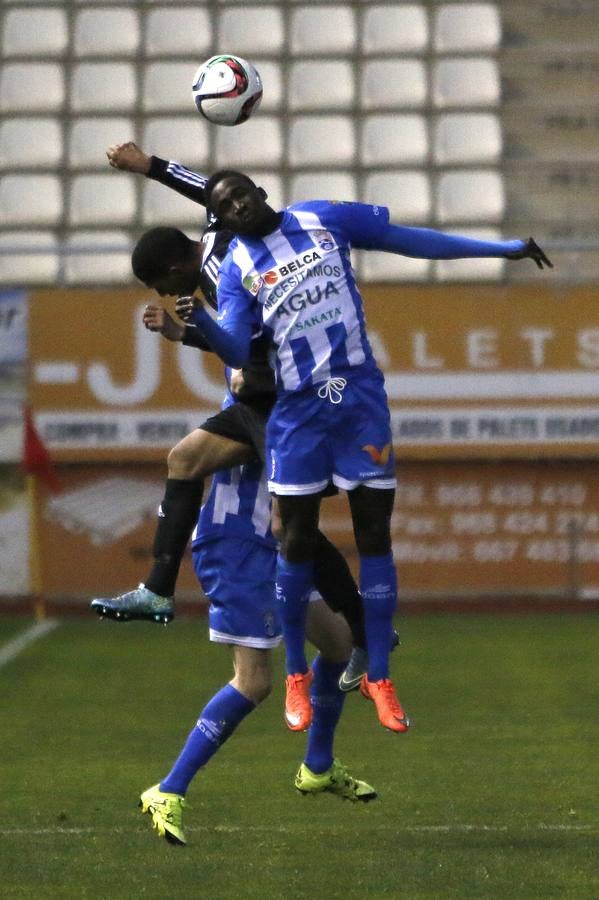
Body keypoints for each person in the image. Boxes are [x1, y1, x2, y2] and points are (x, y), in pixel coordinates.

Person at [178, 169, 553, 734]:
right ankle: (297, 677)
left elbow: (407, 239)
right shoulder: (236, 269)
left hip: (359, 400)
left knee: (375, 534)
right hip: (298, 411)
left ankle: (379, 675)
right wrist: (202, 320)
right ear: (224, 220)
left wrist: (500, 248)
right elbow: (234, 344)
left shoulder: (322, 217)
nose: (238, 207)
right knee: (295, 537)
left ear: (259, 191)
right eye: (225, 206)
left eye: (241, 194)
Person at [91, 145, 399, 731]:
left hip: (282, 401)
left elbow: (257, 342)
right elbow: (209, 186)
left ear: (176, 270)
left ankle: (367, 633)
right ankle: (157, 590)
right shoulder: (215, 234)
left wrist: (187, 333)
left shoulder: (231, 259)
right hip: (254, 397)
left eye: (159, 284)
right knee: (184, 459)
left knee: (289, 523)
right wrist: (149, 167)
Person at [140, 449, 377, 847]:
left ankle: (318, 766)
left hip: (272, 543)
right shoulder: (269, 405)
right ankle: (167, 790)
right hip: (237, 549)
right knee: (253, 681)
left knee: (339, 644)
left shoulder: (278, 407)